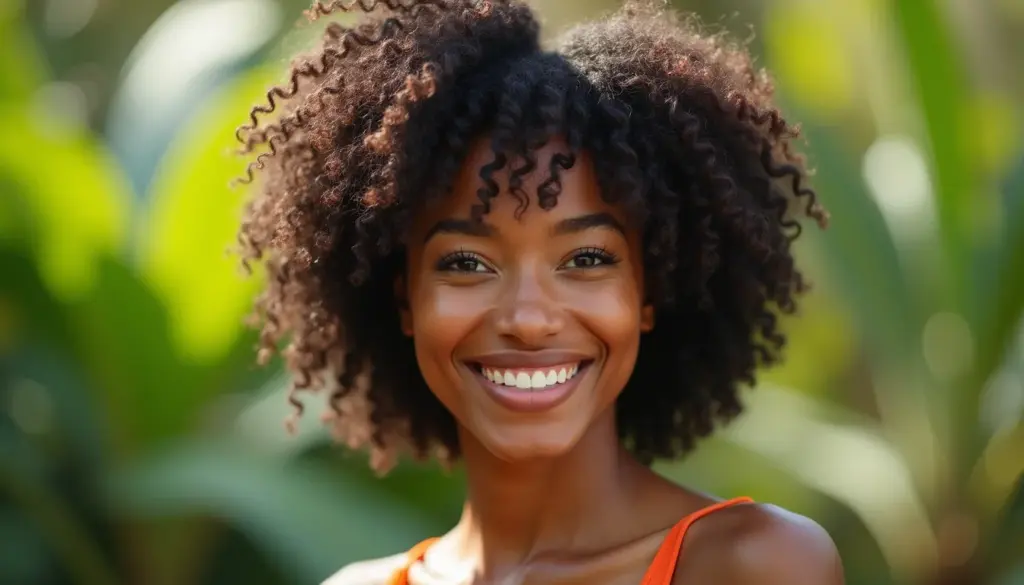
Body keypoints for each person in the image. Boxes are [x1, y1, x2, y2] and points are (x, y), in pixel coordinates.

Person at [235, 0, 843, 583]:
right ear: (405, 301)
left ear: (647, 292)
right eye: (467, 263)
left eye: (586, 259)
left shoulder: (752, 566)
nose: (528, 319)